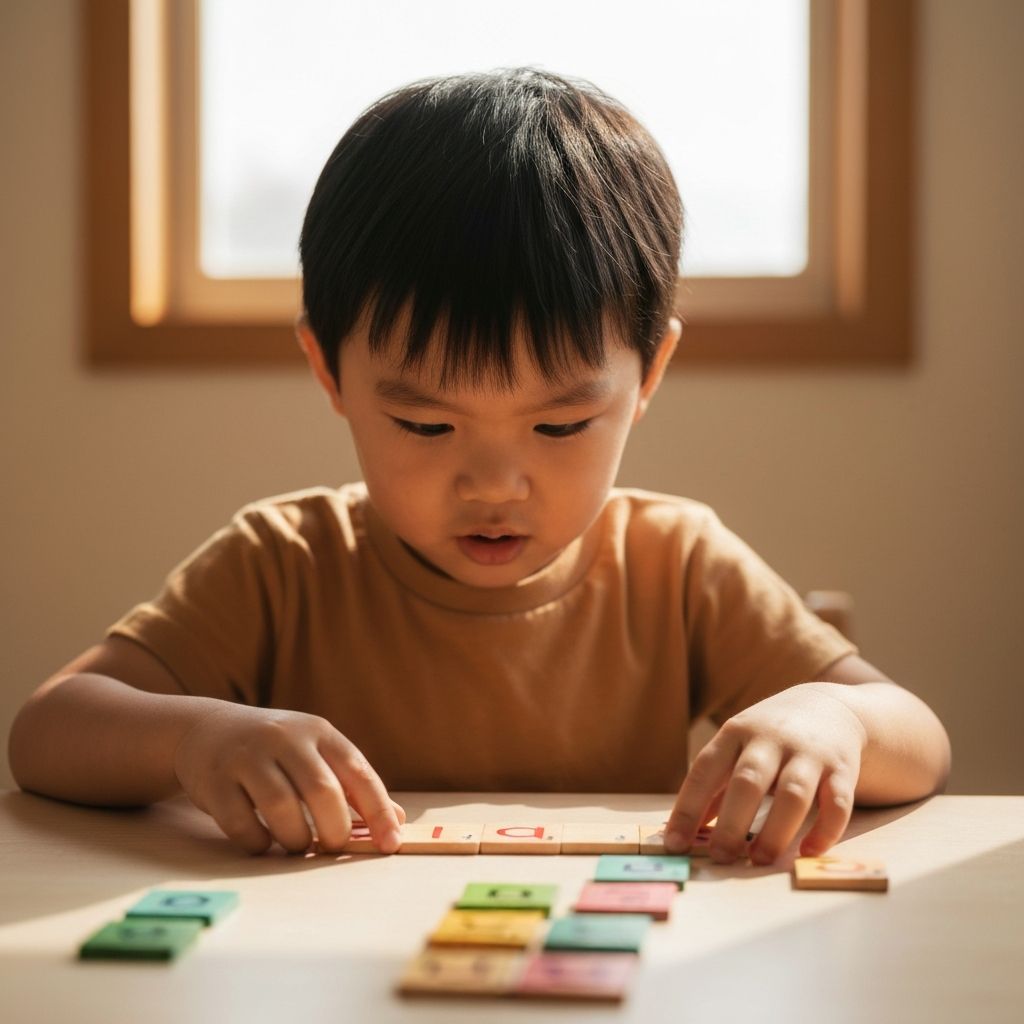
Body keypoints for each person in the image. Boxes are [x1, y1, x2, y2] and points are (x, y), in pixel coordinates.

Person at [7, 68, 950, 865]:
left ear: (650, 372)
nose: (495, 485)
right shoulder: (282, 563)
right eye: (423, 425)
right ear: (329, 370)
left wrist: (839, 719)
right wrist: (188, 737)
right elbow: (48, 731)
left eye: (562, 424)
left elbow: (918, 736)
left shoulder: (676, 563)